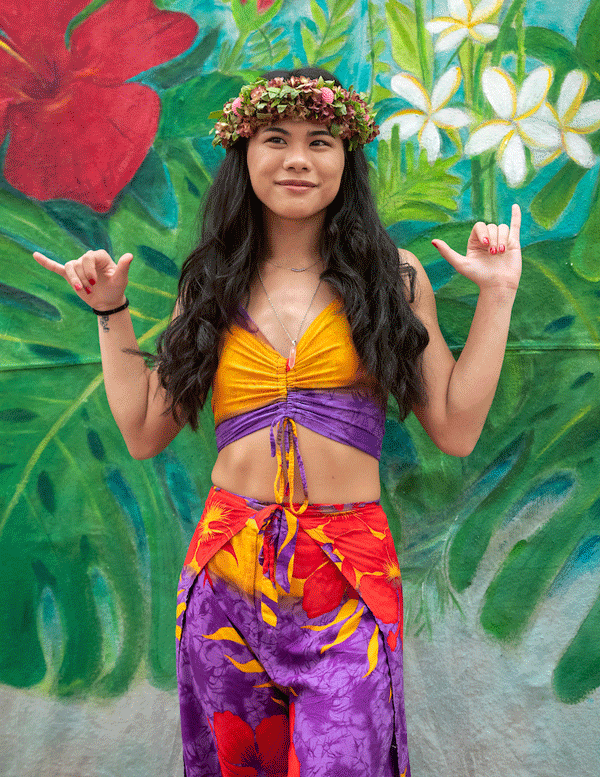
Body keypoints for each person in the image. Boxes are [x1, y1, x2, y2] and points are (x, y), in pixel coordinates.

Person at [33, 67, 521, 777]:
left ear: (346, 158)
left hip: (346, 578)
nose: (298, 158)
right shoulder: (209, 282)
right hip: (227, 574)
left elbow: (454, 427)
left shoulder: (394, 275)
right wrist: (111, 312)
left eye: (320, 140)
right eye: (276, 138)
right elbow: (144, 430)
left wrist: (497, 298)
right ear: (244, 154)